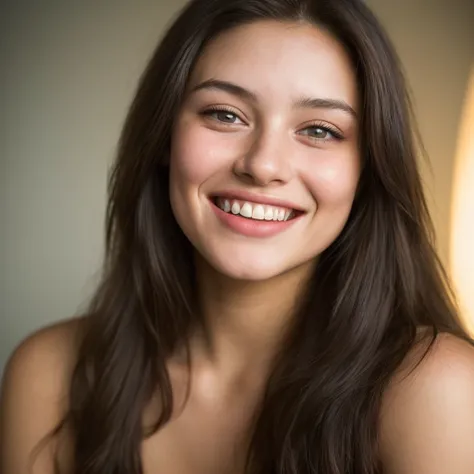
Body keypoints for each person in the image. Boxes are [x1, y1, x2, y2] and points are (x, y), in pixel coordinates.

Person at [1, 0, 474, 473]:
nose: (262, 164)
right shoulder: (50, 378)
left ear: (367, 169)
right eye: (225, 115)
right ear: (164, 134)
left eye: (319, 130)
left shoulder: (436, 391)